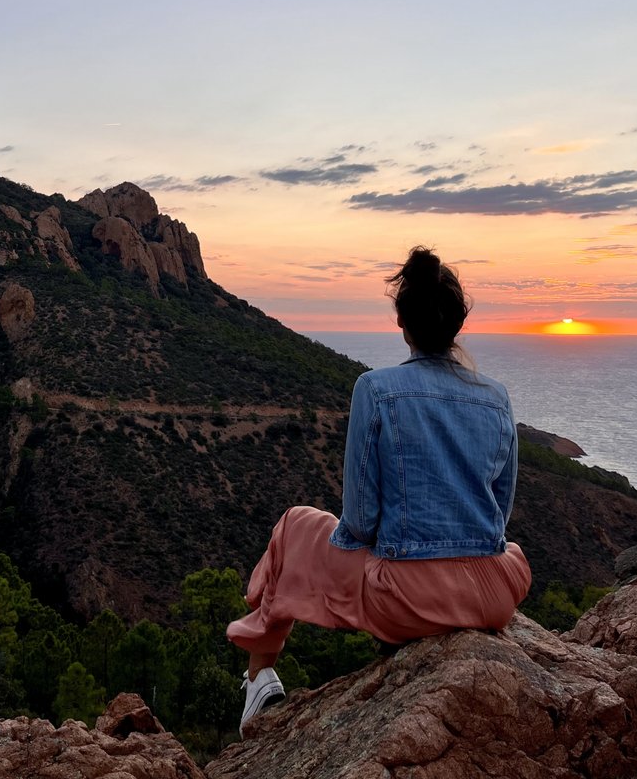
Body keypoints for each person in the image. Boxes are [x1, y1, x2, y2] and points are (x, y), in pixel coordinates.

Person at [227, 246, 532, 731]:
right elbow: (500, 511)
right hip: (494, 594)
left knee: (295, 525)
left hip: (407, 601)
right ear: (456, 323)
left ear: (400, 322)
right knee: (508, 549)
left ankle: (260, 676)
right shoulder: (496, 398)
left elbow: (361, 521)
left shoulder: (376, 389)